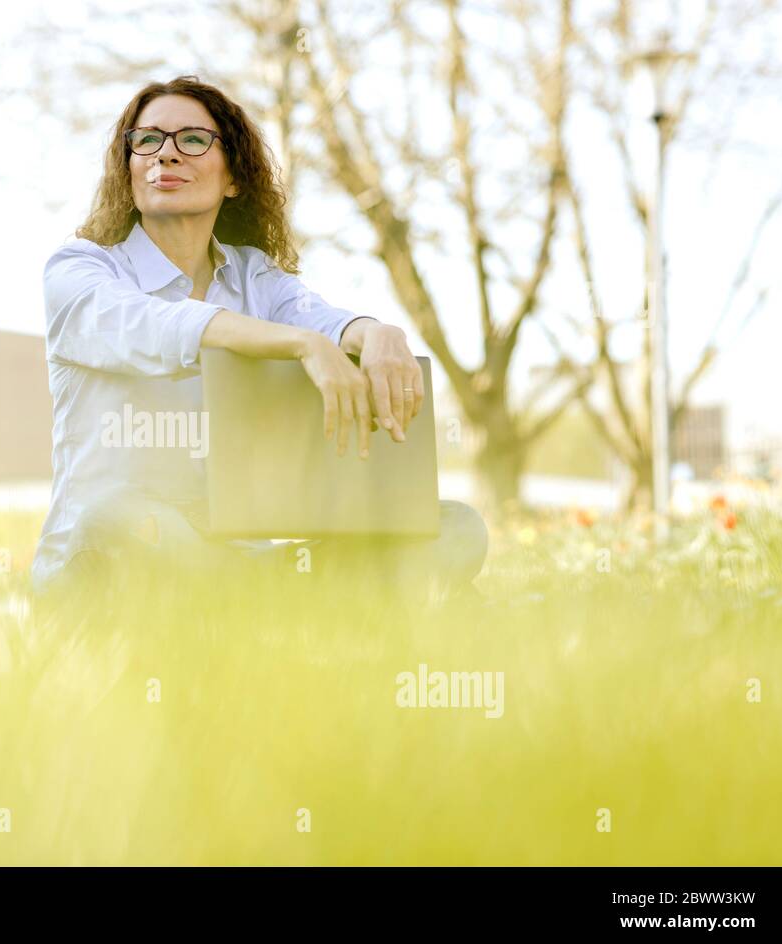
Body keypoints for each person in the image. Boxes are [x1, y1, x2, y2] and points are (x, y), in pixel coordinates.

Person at [30, 75, 487, 620]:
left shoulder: (255, 277)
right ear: (128, 169)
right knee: (120, 518)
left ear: (234, 180)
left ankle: (269, 615)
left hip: (240, 567)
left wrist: (377, 334)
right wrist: (301, 345)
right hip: (115, 556)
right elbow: (155, 326)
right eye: (146, 140)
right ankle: (291, 620)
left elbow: (323, 318)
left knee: (456, 527)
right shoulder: (81, 268)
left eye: (193, 140)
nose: (166, 154)